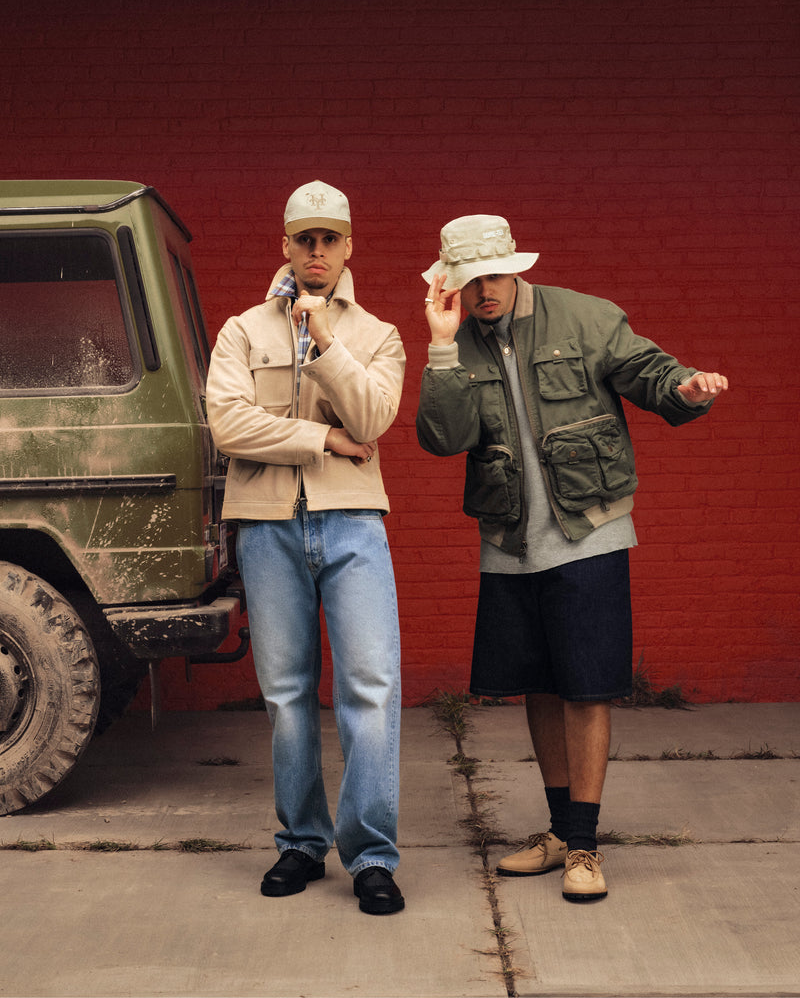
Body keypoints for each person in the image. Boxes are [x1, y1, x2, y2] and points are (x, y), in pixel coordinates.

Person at [416, 214, 728, 902]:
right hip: (508, 539)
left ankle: (586, 846)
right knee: (539, 684)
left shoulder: (584, 317)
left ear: (514, 268)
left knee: (587, 686)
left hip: (588, 531)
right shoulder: (459, 342)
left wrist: (685, 388)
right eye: (469, 281)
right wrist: (440, 348)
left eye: (493, 275)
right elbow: (443, 438)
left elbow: (647, 371)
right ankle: (559, 832)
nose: (484, 291)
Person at [206, 180, 406, 915]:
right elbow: (229, 427)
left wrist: (323, 339)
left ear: (349, 245)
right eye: (305, 239)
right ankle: (300, 843)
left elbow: (374, 416)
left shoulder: (378, 335)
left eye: (330, 239)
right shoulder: (240, 331)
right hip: (266, 526)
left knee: (370, 689)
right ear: (284, 245)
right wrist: (321, 438)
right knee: (287, 695)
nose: (317, 251)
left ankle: (373, 857)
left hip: (354, 523)